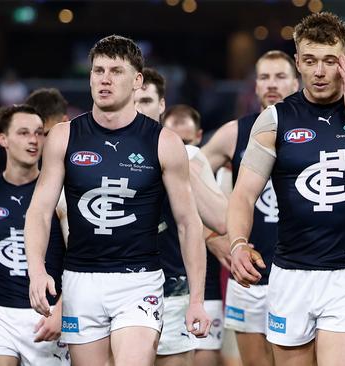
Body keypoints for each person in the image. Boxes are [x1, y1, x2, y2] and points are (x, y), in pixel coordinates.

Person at [227, 12, 345, 366]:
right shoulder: (275, 118)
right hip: (290, 275)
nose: (319, 71)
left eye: (330, 61)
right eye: (310, 60)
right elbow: (243, 195)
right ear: (297, 61)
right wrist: (238, 243)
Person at [24, 35, 211, 366]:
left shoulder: (164, 142)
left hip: (139, 280)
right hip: (80, 281)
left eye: (115, 71)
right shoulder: (64, 136)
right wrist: (37, 271)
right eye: (98, 70)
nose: (104, 79)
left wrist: (197, 299)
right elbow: (39, 212)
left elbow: (188, 224)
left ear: (137, 80)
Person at [203, 49, 299, 366]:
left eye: (280, 77)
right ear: (255, 86)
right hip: (250, 273)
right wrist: (209, 235)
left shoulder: (314, 130)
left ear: (296, 82)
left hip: (301, 274)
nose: (272, 84)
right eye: (264, 77)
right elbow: (183, 174)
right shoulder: (234, 133)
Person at [0, 105, 69, 365]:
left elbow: (81, 258)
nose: (33, 140)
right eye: (23, 133)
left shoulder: (61, 193)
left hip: (48, 314)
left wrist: (62, 311)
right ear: (3, 139)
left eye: (39, 133)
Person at [157, 104, 228, 366]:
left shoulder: (193, 158)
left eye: (185, 141)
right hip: (126, 285)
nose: (180, 145)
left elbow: (221, 220)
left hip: (184, 285)